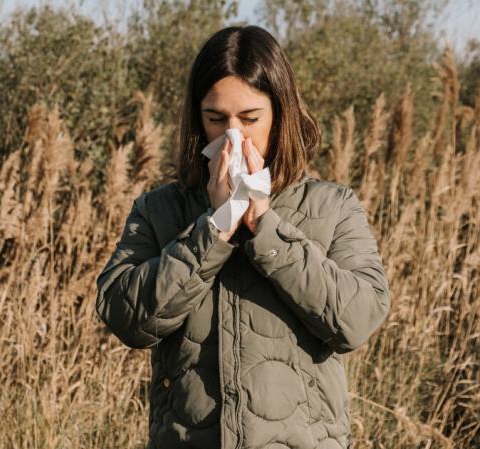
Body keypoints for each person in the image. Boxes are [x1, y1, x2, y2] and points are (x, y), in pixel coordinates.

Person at [95, 25, 390, 449]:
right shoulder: (159, 210)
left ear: (280, 114)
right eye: (216, 119)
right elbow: (125, 316)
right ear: (197, 119)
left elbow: (357, 321)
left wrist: (266, 227)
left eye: (250, 119)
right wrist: (213, 230)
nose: (233, 135)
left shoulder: (333, 207)